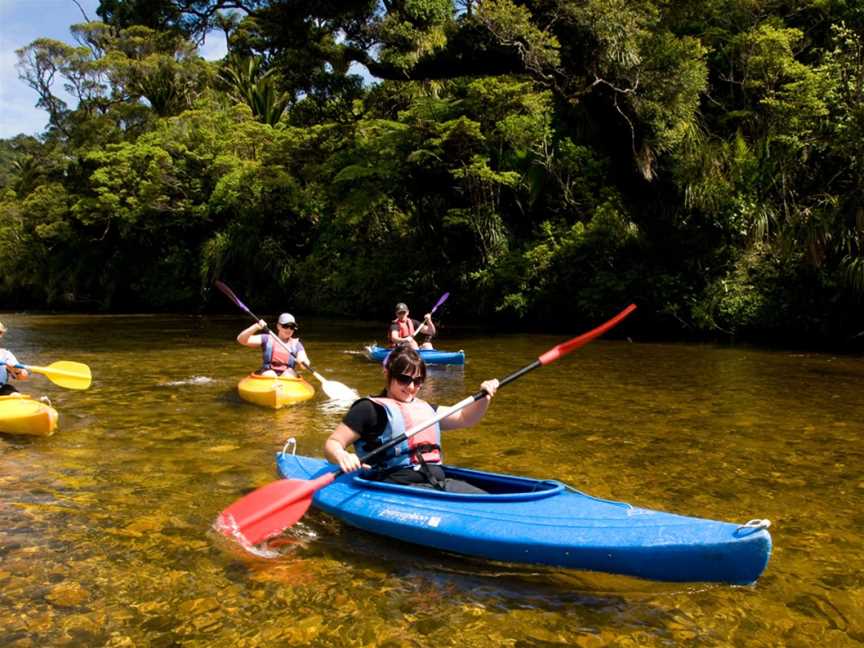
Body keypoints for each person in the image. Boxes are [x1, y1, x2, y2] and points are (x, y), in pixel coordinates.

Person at [324, 345, 499, 493]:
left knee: (490, 498)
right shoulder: (369, 409)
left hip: (437, 483)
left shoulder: (426, 409)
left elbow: (465, 418)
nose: (411, 387)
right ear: (387, 373)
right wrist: (342, 455)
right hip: (397, 487)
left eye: (417, 381)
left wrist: (484, 396)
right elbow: (332, 443)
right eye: (403, 379)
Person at [236, 313, 310, 378]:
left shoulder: (296, 344)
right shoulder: (267, 338)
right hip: (268, 373)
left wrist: (303, 362)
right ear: (278, 326)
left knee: (289, 374)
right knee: (270, 374)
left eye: (292, 327)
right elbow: (241, 340)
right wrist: (256, 327)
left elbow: (304, 361)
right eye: (286, 326)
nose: (289, 329)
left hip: (288, 376)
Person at [0, 321, 30, 396]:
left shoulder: (5, 354)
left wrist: (16, 370)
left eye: (0, 333)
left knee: (14, 393)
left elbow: (23, 377)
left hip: (1, 390)